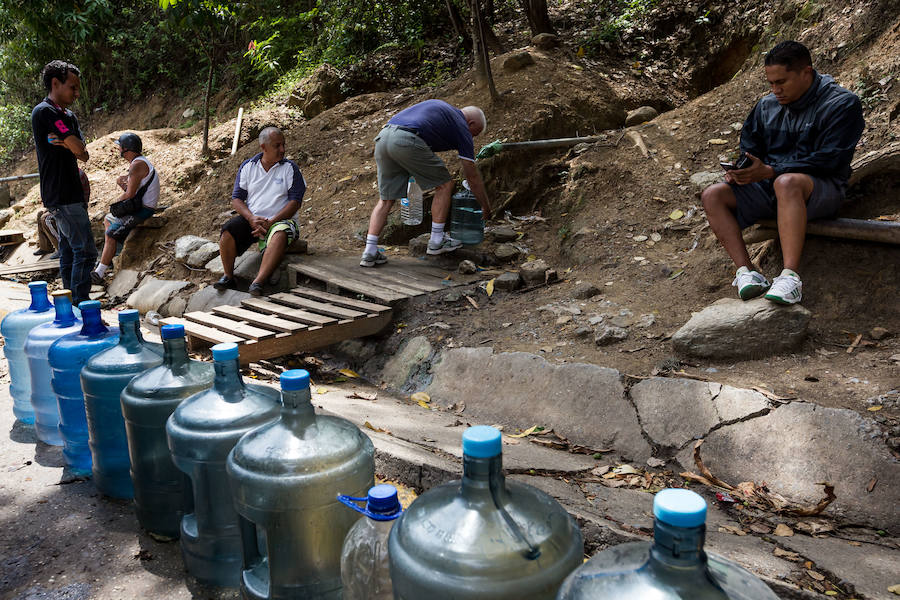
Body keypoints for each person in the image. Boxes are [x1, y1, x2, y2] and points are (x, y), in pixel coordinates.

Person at [702, 41, 864, 305]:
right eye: (771, 84)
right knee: (713, 194)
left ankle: (790, 278)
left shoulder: (841, 104)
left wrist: (771, 171)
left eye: (782, 82)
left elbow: (831, 160)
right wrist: (742, 171)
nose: (775, 90)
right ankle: (748, 272)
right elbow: (750, 149)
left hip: (821, 189)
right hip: (770, 188)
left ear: (806, 73)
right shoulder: (767, 107)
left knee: (787, 183)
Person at [361, 99, 492, 267]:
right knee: (445, 185)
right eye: (474, 133)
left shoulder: (441, 110)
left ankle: (370, 251)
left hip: (383, 136)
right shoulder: (460, 123)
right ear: (471, 123)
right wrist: (485, 206)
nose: (471, 138)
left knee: (386, 199)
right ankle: (437, 240)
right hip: (405, 139)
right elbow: (472, 176)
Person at [31, 60, 95, 304]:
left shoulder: (68, 116)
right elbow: (77, 148)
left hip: (72, 193)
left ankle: (69, 307)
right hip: (61, 194)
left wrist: (69, 143)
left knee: (69, 251)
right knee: (86, 252)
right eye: (72, 88)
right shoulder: (45, 112)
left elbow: (83, 153)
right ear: (55, 84)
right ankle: (81, 307)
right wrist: (72, 145)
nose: (77, 94)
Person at [213, 126, 305, 296]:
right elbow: (237, 199)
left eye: (283, 145)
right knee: (228, 231)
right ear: (263, 147)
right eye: (277, 146)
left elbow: (295, 202)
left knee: (279, 234)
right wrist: (251, 218)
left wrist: (273, 221)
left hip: (283, 221)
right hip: (253, 220)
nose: (282, 149)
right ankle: (228, 276)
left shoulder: (290, 168)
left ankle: (258, 282)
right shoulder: (248, 167)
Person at [91, 133, 159, 285]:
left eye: (119, 147)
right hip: (140, 205)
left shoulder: (137, 165)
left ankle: (99, 273)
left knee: (110, 233)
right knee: (108, 219)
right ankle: (109, 259)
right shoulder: (138, 162)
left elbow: (129, 194)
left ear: (126, 149)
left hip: (144, 209)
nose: (118, 150)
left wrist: (114, 203)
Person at [35, 168, 89, 259]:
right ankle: (45, 247)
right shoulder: (64, 173)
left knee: (46, 219)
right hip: (65, 205)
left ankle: (62, 249)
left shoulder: (74, 174)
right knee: (40, 214)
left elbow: (68, 198)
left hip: (74, 208)